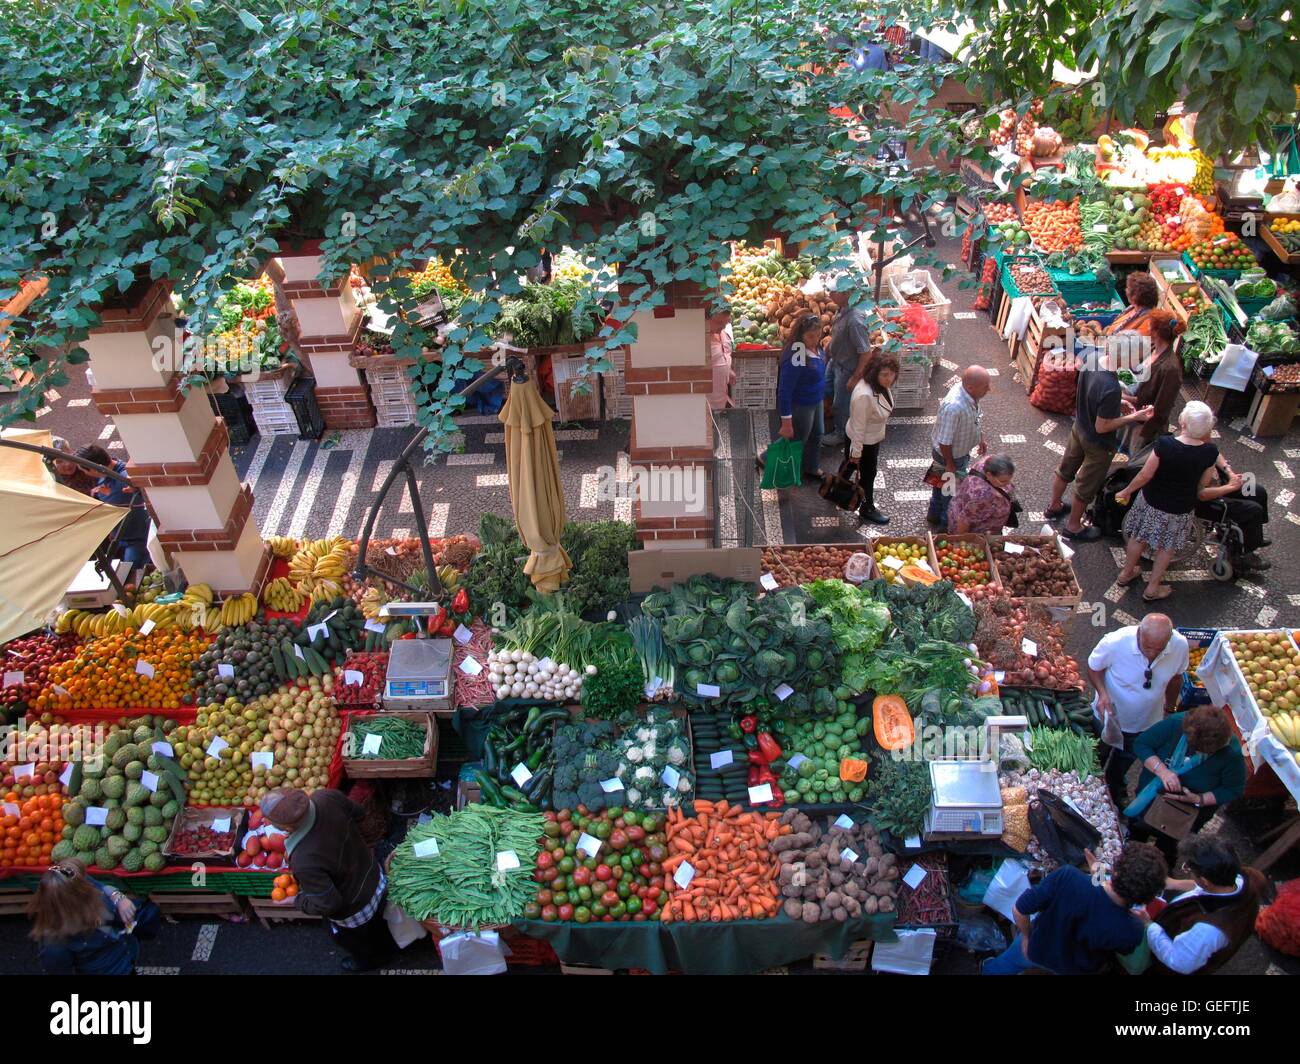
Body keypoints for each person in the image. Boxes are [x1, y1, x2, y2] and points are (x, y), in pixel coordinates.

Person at [981, 842, 1168, 975]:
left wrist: (1027, 937)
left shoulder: (1068, 878)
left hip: (1036, 949)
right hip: (1073, 969)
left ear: (1117, 869)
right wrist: (1098, 872)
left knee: (1002, 967)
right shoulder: (1133, 929)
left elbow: (1019, 910)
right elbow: (1104, 902)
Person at [260, 787, 394, 972]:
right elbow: (359, 813)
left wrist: (297, 900)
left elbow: (329, 903)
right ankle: (388, 948)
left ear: (287, 827)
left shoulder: (303, 859)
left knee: (358, 941)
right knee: (380, 923)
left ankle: (370, 962)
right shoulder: (326, 796)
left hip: (355, 906)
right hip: (373, 874)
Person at [1045, 338, 1154, 541]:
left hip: (1079, 427)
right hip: (1097, 442)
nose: (1139, 361)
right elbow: (1103, 426)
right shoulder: (1111, 386)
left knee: (1065, 470)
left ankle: (1054, 506)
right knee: (1086, 486)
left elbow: (1091, 393)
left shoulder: (1093, 358)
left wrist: (1116, 403)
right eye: (1138, 356)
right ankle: (1074, 527)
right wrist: (1134, 417)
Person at [1114, 401, 1220, 602]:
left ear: (1183, 423)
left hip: (1151, 501)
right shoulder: (1209, 452)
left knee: (1138, 537)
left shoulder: (1165, 444)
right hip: (1180, 508)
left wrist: (1127, 491)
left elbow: (1145, 475)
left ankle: (1126, 573)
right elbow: (1204, 483)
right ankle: (1152, 588)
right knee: (1167, 548)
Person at [1087, 613, 1189, 809]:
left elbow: (1177, 677)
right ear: (1139, 633)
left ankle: (1116, 789)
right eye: (1148, 647)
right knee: (1096, 756)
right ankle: (1092, 789)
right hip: (1107, 718)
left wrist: (1171, 706)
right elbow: (1094, 668)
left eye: (1159, 649)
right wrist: (1103, 694)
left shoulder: (1179, 645)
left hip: (1145, 723)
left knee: (1124, 762)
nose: (1152, 653)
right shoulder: (1115, 642)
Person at [1139, 836, 1272, 975]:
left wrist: (1149, 925)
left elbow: (1178, 961)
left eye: (1189, 869)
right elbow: (1203, 887)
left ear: (1204, 880)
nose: (1189, 873)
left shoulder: (1208, 930)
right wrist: (1173, 883)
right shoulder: (1246, 877)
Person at [1126, 705, 1247, 857]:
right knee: (1137, 834)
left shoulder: (1232, 754)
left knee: (1167, 849)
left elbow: (1233, 789)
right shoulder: (1175, 723)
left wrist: (1198, 798)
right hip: (1150, 799)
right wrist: (1163, 771)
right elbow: (1142, 744)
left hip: (1187, 815)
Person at [29, 859, 160, 975]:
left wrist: (119, 899)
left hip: (126, 957)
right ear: (76, 900)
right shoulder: (55, 946)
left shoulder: (74, 879)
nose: (91, 885)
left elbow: (102, 887)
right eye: (85, 886)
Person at [764, 314, 829, 480]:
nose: (815, 339)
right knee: (796, 439)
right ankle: (780, 470)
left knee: (818, 433)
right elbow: (785, 390)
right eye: (810, 336)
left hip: (816, 400)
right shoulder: (797, 354)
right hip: (802, 405)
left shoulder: (818, 347)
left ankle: (811, 467)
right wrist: (786, 421)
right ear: (801, 336)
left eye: (818, 334)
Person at [927, 366, 989, 529]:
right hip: (950, 457)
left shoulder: (971, 395)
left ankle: (934, 514)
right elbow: (945, 440)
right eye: (985, 386)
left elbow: (976, 417)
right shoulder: (954, 407)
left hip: (955, 455)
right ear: (970, 387)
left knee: (940, 485)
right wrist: (950, 464)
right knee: (950, 493)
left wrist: (980, 437)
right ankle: (945, 524)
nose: (989, 389)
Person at [1196, 451, 1272, 572]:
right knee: (1253, 510)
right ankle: (1245, 553)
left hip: (1220, 486)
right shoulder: (1190, 458)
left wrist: (1230, 474)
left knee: (1258, 491)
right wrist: (1231, 487)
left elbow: (1215, 453)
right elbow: (1202, 495)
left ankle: (1255, 536)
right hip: (1206, 500)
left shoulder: (1204, 445)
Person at [1124, 310, 1187, 455]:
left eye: (1150, 326)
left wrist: (1126, 398)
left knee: (1137, 460)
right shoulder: (1153, 350)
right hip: (1134, 414)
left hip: (1146, 426)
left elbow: (1161, 409)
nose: (1147, 329)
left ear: (1156, 332)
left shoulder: (1170, 369)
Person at [79, 444, 151, 570]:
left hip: (138, 540)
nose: (85, 474)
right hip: (122, 537)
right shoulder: (106, 477)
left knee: (133, 572)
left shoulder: (125, 478)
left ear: (94, 469)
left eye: (85, 470)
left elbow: (136, 488)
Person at [846, 352, 897, 525]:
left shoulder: (878, 386)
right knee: (868, 475)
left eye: (891, 374)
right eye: (884, 374)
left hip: (870, 438)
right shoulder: (865, 395)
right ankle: (867, 508)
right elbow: (859, 428)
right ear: (875, 373)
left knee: (849, 466)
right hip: (864, 442)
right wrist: (856, 452)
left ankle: (837, 485)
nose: (889, 378)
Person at [824, 290, 874, 448]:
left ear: (846, 294)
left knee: (841, 402)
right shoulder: (842, 309)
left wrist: (855, 377)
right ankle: (833, 417)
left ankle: (841, 433)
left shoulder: (855, 321)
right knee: (826, 389)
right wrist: (830, 347)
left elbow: (866, 353)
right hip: (835, 361)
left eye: (834, 292)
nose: (830, 294)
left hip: (847, 369)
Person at [948, 454, 1017, 534]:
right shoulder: (983, 496)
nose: (1008, 484)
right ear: (989, 475)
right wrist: (963, 540)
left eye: (1010, 479)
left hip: (958, 505)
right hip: (978, 531)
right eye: (1003, 481)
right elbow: (964, 520)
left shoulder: (988, 461)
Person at [706, 308, 735, 412]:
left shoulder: (722, 332)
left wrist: (728, 370)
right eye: (719, 322)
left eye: (725, 323)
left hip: (721, 399)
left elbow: (724, 354)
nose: (722, 327)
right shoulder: (700, 339)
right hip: (707, 404)